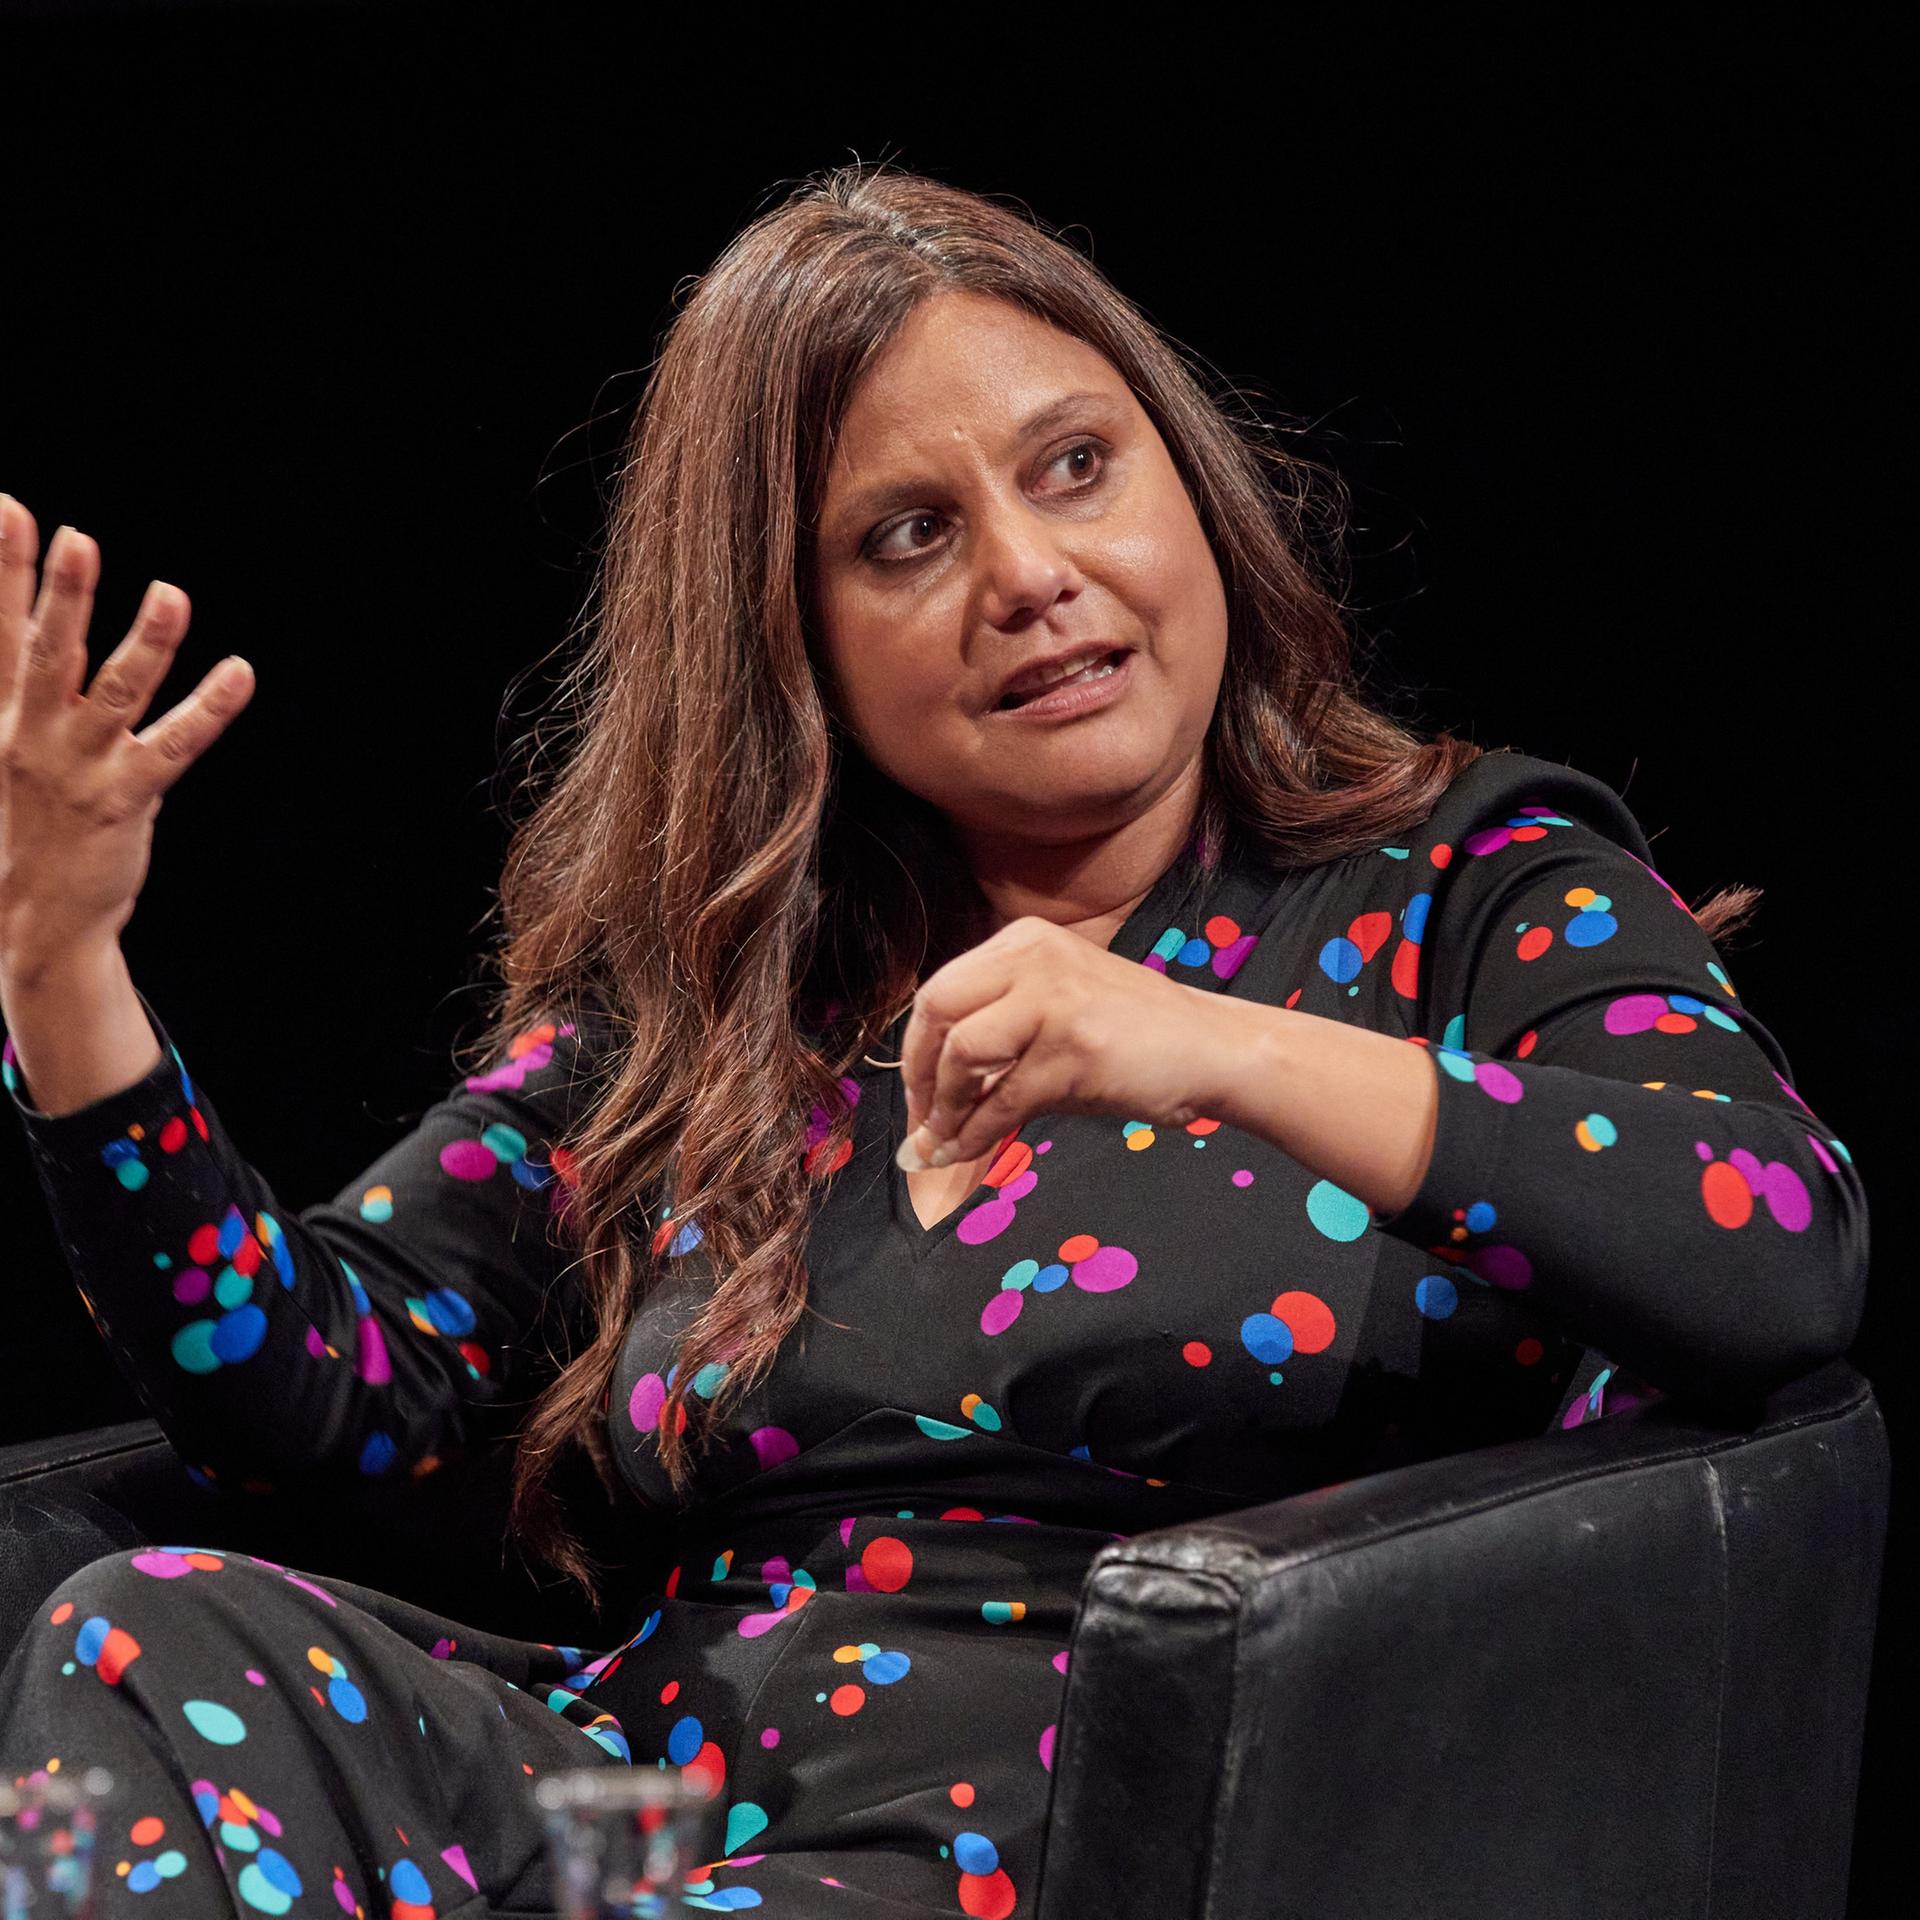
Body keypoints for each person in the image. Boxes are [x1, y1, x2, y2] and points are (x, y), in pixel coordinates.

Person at [0, 162, 1869, 1917]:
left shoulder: (1468, 887)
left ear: (1189, 484)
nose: (1030, 574)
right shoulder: (725, 1005)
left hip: (1103, 1840)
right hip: (656, 1815)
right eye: (908, 535)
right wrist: (65, 969)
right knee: (153, 1629)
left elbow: (1772, 1245)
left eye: (1076, 467)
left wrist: (1204, 1044)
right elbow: (305, 1379)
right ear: (791, 641)